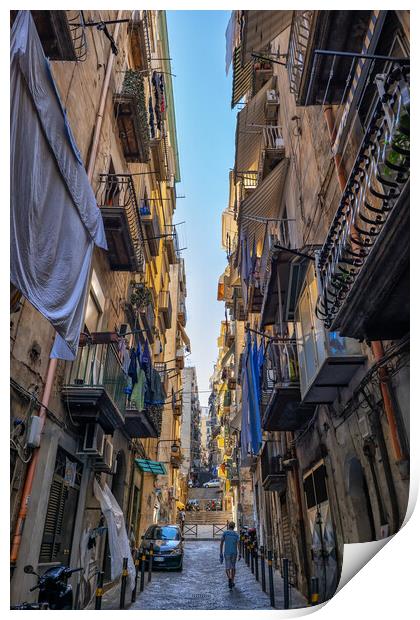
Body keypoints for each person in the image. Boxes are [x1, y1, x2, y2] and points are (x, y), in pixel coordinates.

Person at [220, 521, 241, 589]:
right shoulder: (236, 534)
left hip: (227, 552)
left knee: (227, 567)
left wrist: (220, 552)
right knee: (233, 567)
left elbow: (221, 543)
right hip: (234, 553)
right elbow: (238, 545)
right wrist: (240, 553)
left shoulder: (225, 533)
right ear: (234, 527)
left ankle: (229, 578)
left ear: (229, 526)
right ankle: (232, 580)